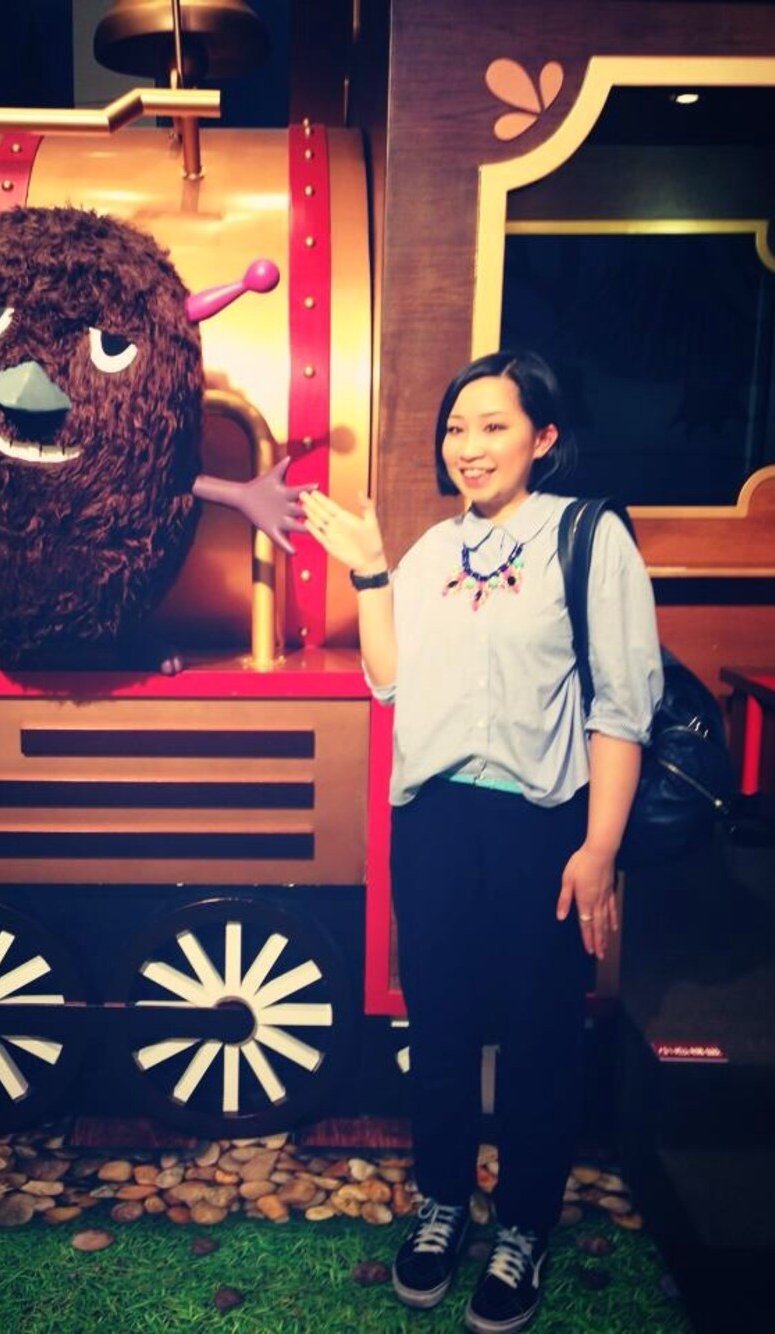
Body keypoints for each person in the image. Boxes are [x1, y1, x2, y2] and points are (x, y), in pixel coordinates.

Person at [301, 350, 662, 1333]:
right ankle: (442, 1204)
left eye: (493, 425)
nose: (469, 445)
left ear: (543, 437)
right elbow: (389, 680)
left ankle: (525, 1225)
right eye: (457, 428)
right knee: (442, 1027)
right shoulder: (431, 549)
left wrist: (598, 847)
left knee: (542, 1035)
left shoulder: (586, 537)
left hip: (542, 826)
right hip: (432, 821)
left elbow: (621, 707)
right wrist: (370, 568)